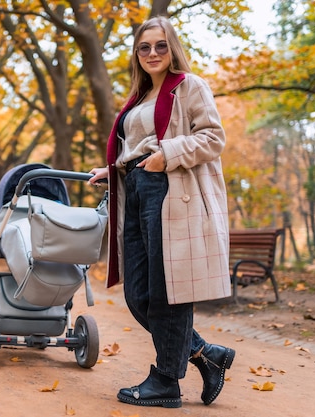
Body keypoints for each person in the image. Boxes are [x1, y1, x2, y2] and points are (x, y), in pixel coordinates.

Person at [89, 16, 235, 408]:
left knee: (167, 292)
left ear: (172, 48)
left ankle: (166, 380)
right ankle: (207, 355)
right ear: (136, 55)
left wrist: (166, 156)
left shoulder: (189, 86)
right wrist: (113, 169)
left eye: (160, 45)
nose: (152, 53)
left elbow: (212, 138)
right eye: (144, 47)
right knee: (139, 293)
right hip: (136, 187)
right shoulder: (137, 98)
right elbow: (136, 146)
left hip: (169, 189)